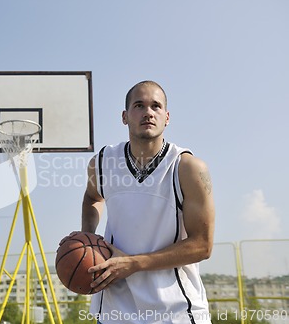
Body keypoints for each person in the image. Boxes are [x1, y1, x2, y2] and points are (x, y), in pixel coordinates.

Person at [81, 80, 215, 324]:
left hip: (175, 311)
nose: (148, 113)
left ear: (167, 116)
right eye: (139, 105)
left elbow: (202, 246)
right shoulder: (103, 162)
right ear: (125, 116)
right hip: (115, 311)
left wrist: (134, 264)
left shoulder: (187, 168)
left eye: (156, 106)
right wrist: (86, 240)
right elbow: (92, 196)